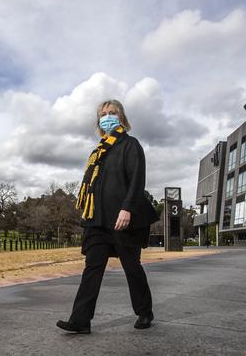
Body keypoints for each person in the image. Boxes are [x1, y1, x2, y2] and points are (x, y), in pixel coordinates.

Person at [57, 99, 159, 334]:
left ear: (121, 118)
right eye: (103, 114)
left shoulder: (130, 144)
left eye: (113, 112)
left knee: (131, 266)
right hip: (97, 220)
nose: (108, 116)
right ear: (99, 121)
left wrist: (127, 208)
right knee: (92, 267)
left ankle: (145, 312)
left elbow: (137, 179)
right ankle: (80, 320)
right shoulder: (98, 152)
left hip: (123, 218)